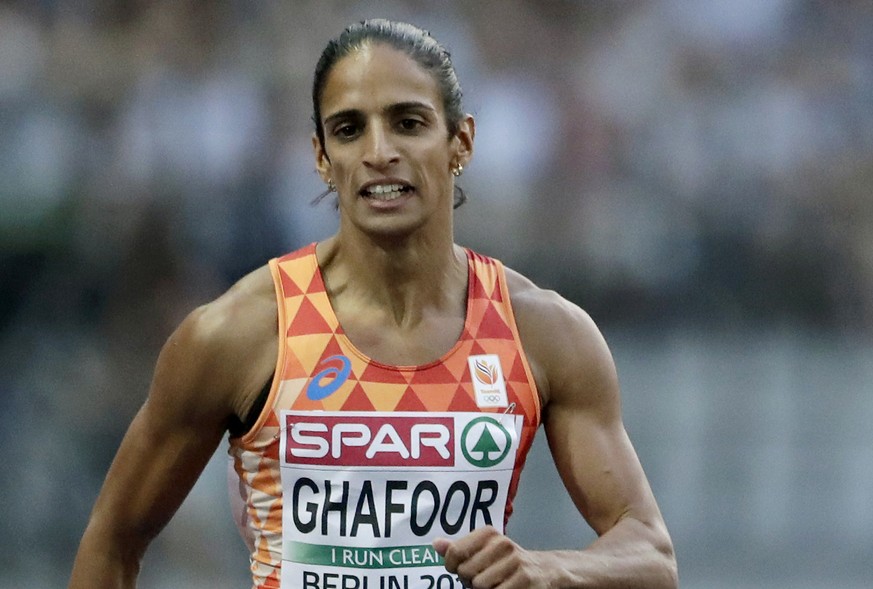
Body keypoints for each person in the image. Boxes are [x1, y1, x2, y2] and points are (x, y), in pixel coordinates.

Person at [69, 18, 677, 589]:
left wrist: (549, 570)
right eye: (349, 128)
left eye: (408, 122)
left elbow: (650, 550)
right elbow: (112, 541)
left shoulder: (542, 332)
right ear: (320, 157)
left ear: (460, 140)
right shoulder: (241, 333)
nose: (378, 151)